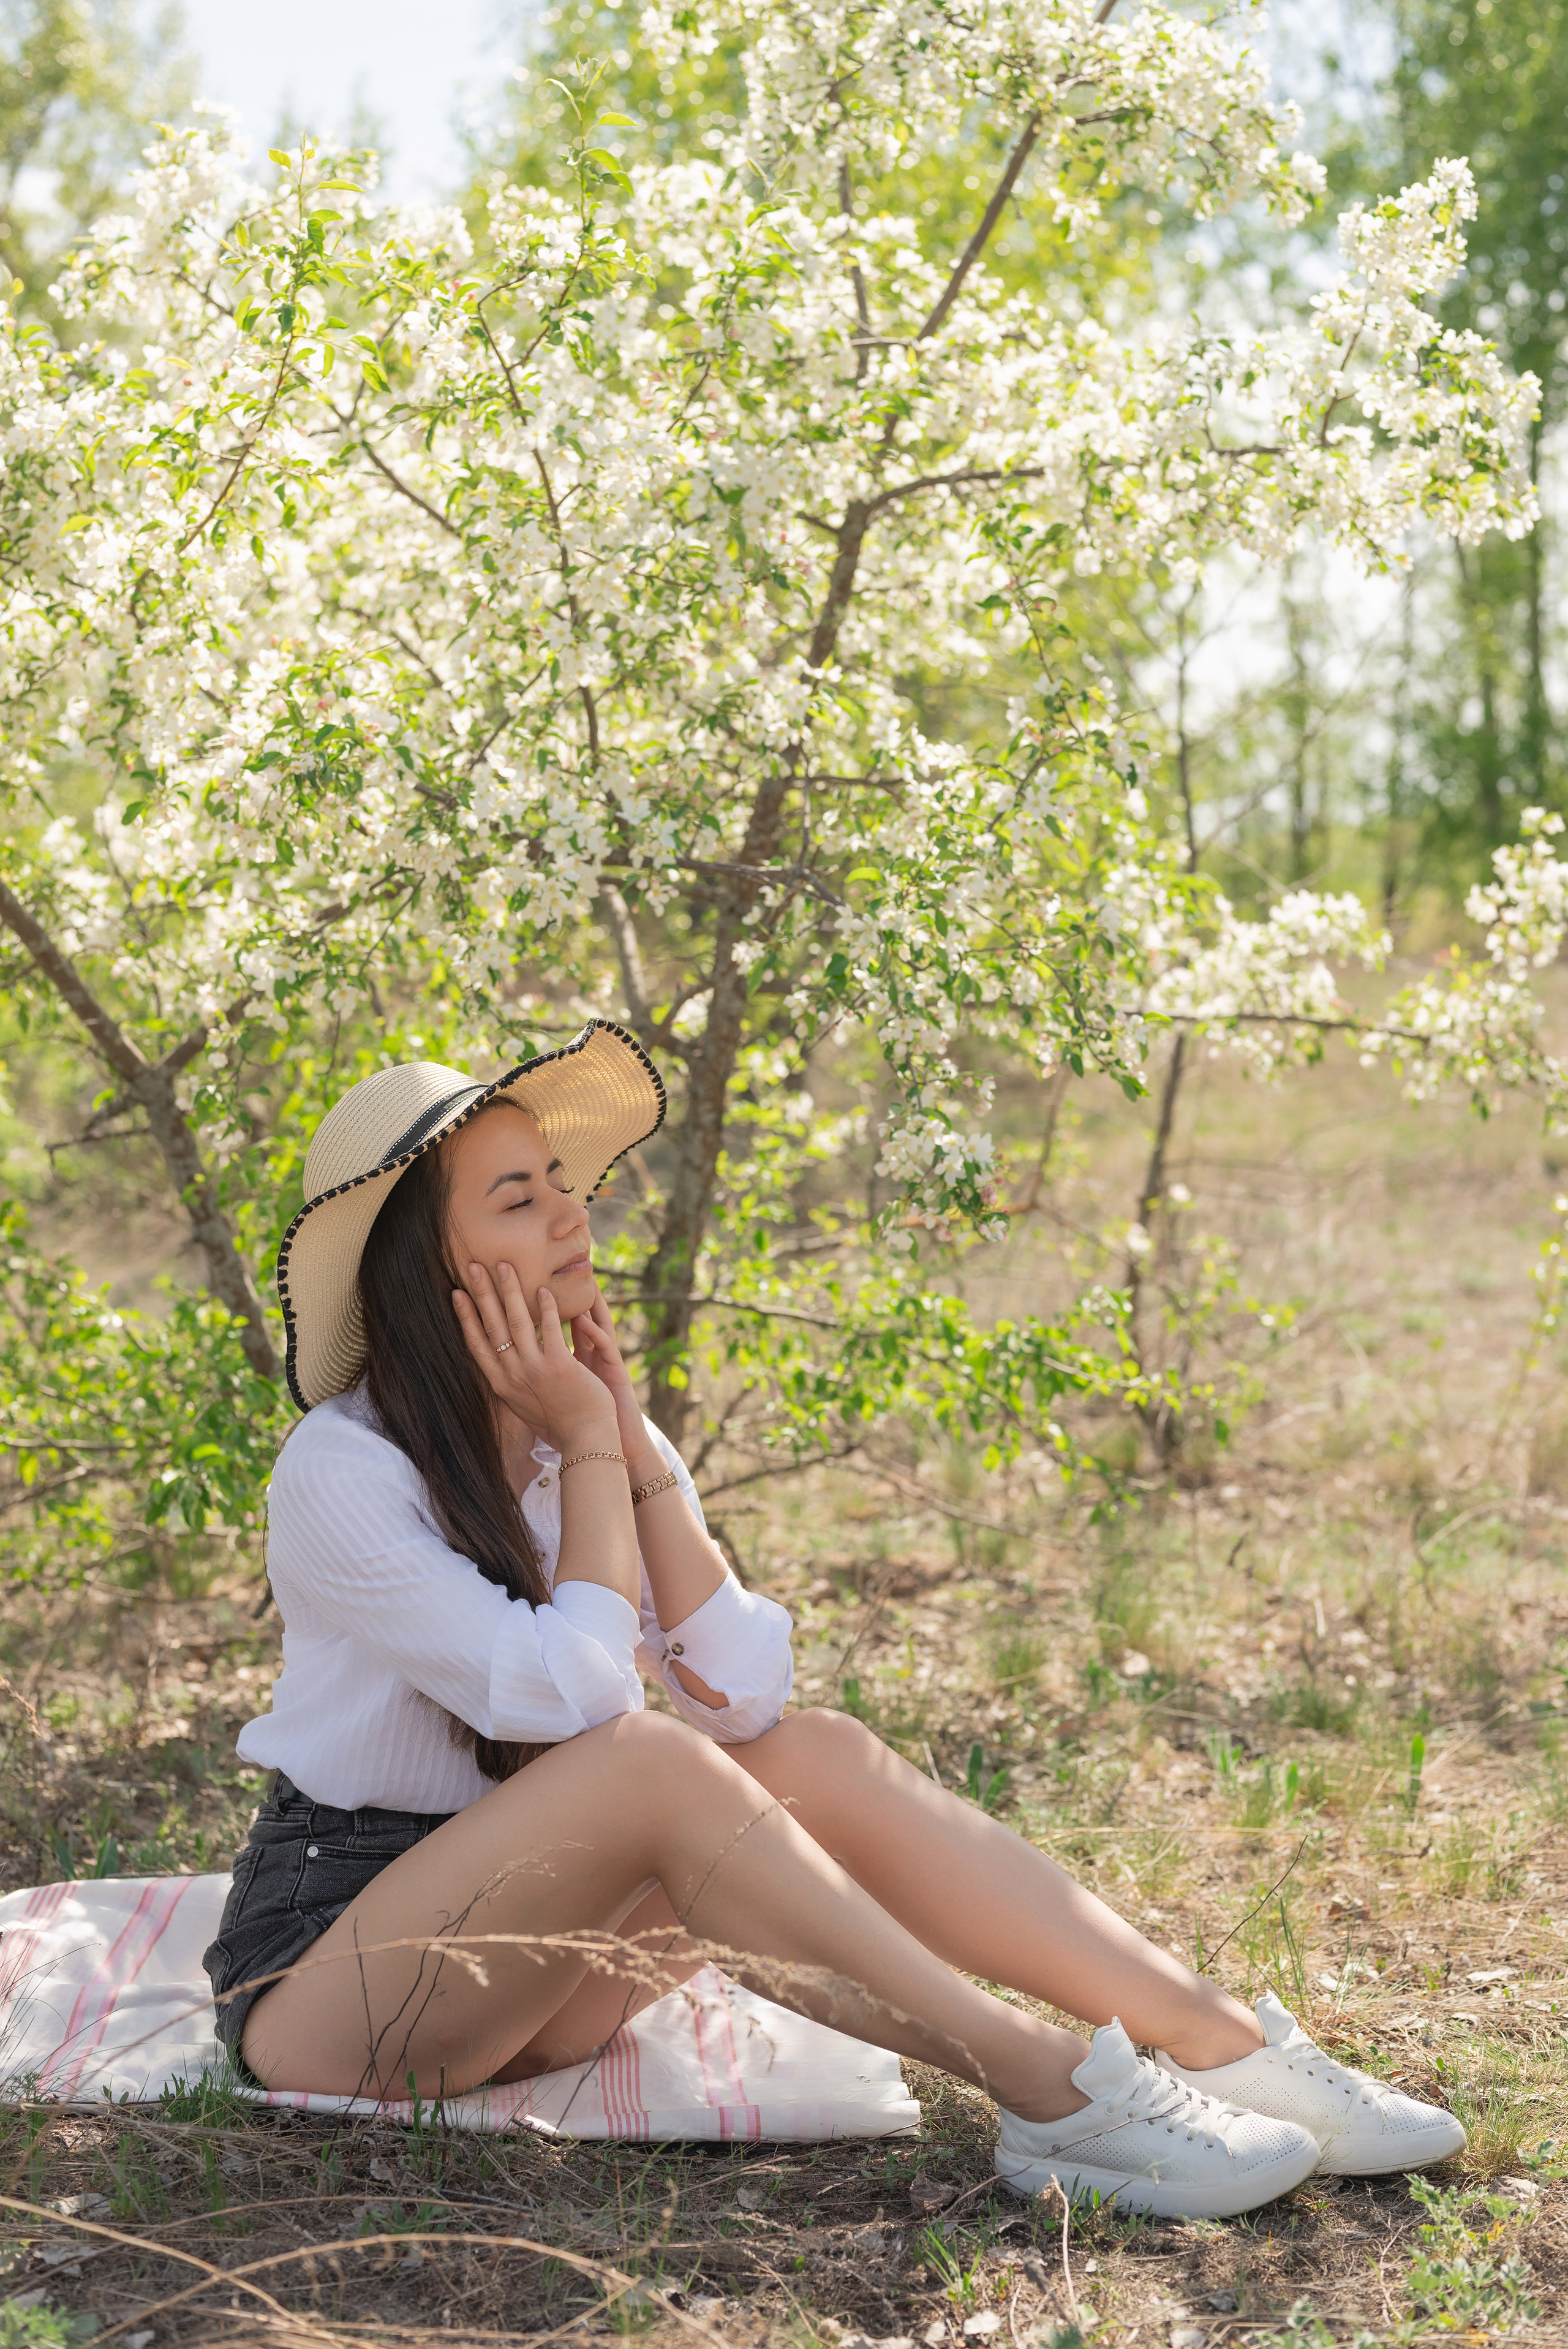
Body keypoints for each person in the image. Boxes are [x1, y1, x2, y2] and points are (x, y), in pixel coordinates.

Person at [206, 1018, 1465, 2216]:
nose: (572, 1213)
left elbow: (745, 1694)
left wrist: (625, 1450)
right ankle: (1045, 2089)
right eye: (517, 1199)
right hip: (341, 1988)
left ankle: (1216, 2041)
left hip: (534, 1968)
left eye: (559, 1179)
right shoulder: (343, 1469)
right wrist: (595, 1444)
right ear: (429, 1269)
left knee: (815, 1754)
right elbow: (583, 1702)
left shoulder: (577, 1433)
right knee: (646, 1756)